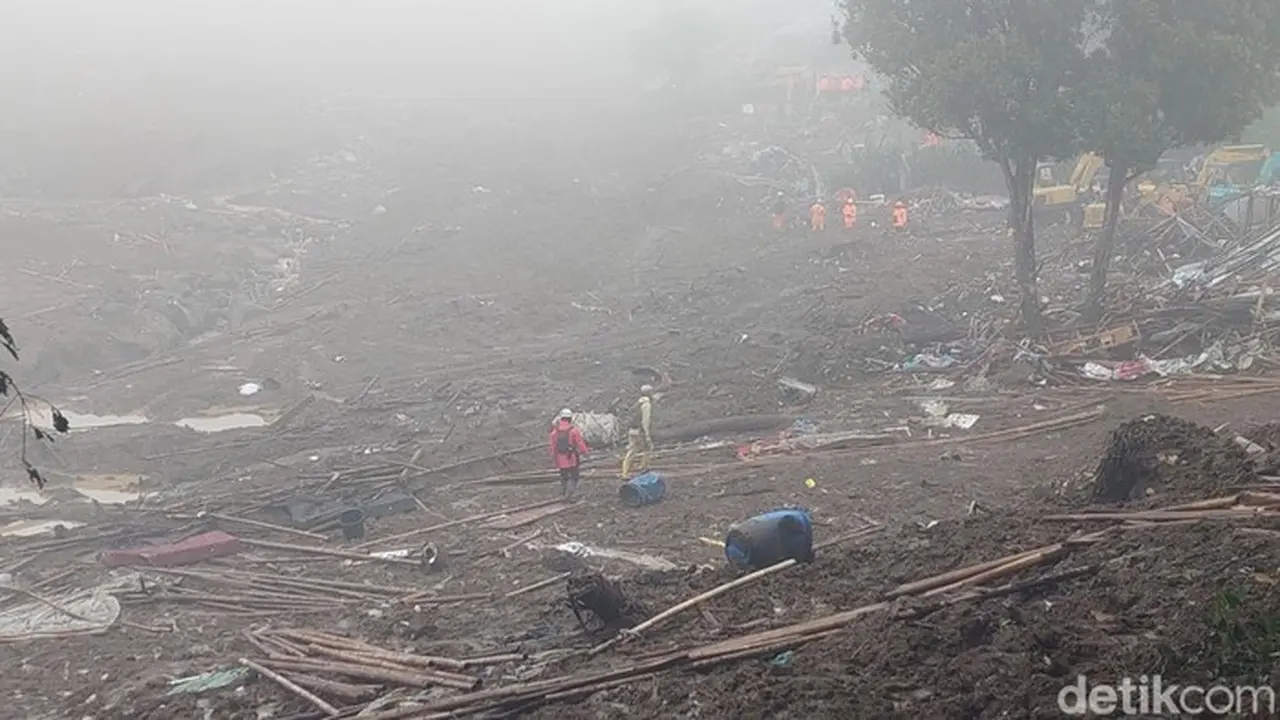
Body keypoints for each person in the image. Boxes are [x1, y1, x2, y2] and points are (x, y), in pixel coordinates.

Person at [549, 408, 589, 498]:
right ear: (570, 418)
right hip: (572, 458)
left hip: (560, 459)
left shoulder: (555, 432)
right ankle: (571, 493)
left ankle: (564, 492)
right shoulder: (573, 431)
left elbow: (552, 447)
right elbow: (580, 443)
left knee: (564, 476)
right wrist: (585, 453)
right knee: (574, 476)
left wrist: (554, 458)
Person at [621, 385, 654, 479]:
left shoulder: (637, 403)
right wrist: (647, 434)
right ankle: (643, 468)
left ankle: (625, 473)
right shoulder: (646, 405)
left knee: (632, 450)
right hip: (640, 431)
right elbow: (645, 420)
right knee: (648, 448)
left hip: (632, 430)